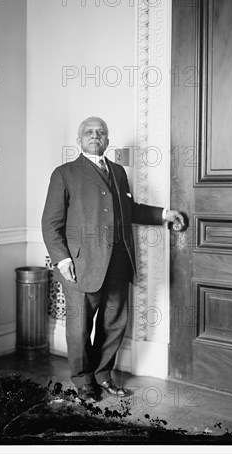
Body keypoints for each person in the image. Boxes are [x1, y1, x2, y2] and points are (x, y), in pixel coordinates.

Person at [41, 117, 186, 402]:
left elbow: (129, 209)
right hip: (81, 267)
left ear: (107, 140)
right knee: (79, 327)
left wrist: (163, 215)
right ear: (79, 140)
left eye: (101, 132)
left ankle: (102, 375)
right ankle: (83, 381)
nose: (95, 136)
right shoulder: (64, 173)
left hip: (119, 263)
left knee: (114, 323)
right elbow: (50, 223)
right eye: (89, 132)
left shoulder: (118, 172)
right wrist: (62, 260)